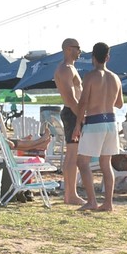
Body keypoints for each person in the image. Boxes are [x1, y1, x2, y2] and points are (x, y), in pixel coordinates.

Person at [74, 41, 124, 212]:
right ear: (108, 57)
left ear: (92, 58)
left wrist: (77, 125)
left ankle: (92, 201)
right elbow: (119, 104)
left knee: (82, 161)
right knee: (105, 163)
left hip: (94, 121)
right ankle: (108, 203)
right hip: (111, 121)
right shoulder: (116, 78)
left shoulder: (90, 76)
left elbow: (83, 103)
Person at [53, 38, 88, 206]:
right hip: (72, 113)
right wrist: (81, 118)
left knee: (71, 154)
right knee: (72, 155)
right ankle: (71, 194)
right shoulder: (66, 69)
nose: (80, 50)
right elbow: (71, 97)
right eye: (77, 47)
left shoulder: (70, 68)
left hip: (73, 112)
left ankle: (69, 194)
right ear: (68, 49)